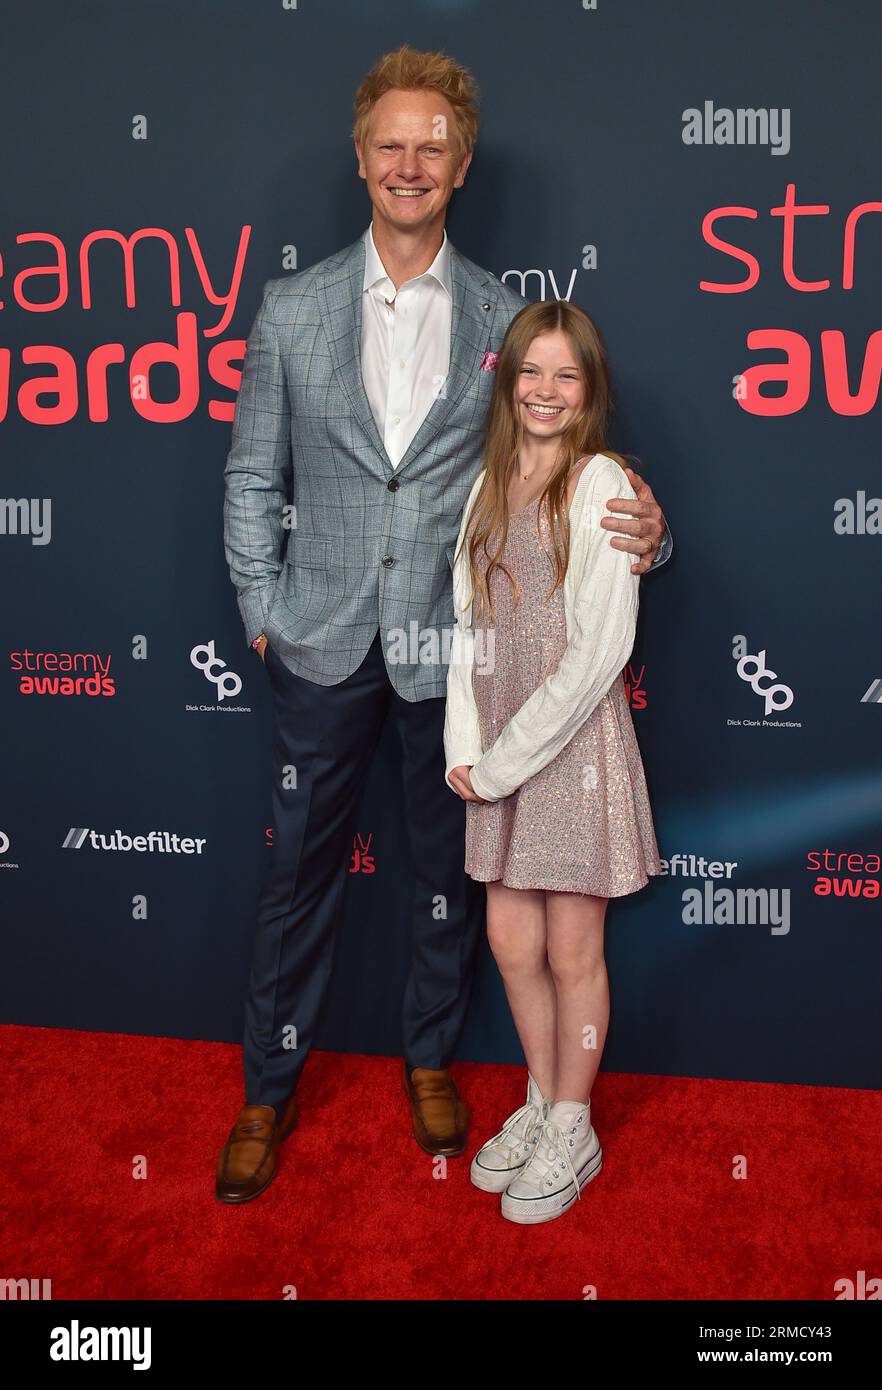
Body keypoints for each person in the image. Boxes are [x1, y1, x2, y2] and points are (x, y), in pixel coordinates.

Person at [217, 44, 671, 1204]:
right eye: (391, 143)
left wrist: (649, 533)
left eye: (433, 145)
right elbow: (249, 476)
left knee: (446, 875)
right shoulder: (291, 306)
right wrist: (264, 612)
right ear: (361, 157)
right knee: (296, 882)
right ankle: (269, 1089)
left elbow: (562, 475)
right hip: (317, 640)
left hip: (456, 662)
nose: (410, 163)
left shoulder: (507, 322)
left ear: (460, 165)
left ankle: (430, 1060)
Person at [444, 299, 662, 1225]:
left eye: (565, 374)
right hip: (496, 751)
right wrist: (466, 747)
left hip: (565, 750)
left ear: (589, 390)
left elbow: (596, 657)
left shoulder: (603, 480)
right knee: (509, 942)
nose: (545, 389)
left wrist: (501, 764)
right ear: (508, 379)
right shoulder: (486, 480)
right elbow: (464, 627)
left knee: (574, 950)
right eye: (531, 370)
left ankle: (574, 1124)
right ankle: (542, 1097)